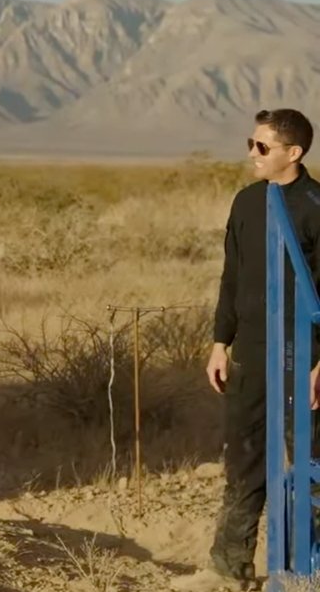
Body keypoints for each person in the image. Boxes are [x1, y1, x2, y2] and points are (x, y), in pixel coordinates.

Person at [175, 108, 320, 591]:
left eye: (262, 146)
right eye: (250, 143)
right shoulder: (247, 202)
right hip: (251, 353)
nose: (252, 153)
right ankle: (228, 567)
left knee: (311, 464)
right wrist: (221, 342)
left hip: (305, 355)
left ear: (293, 153)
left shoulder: (316, 206)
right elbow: (232, 277)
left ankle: (305, 572)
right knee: (244, 458)